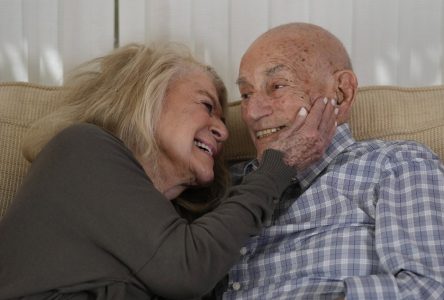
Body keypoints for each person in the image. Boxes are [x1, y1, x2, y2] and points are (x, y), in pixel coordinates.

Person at [0, 43, 337, 299]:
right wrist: (279, 165)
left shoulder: (175, 225)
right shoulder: (80, 148)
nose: (222, 130)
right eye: (206, 106)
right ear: (146, 98)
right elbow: (186, 268)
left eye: (222, 119)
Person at [217, 23, 444, 299]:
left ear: (342, 92)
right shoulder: (225, 184)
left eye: (277, 86)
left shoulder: (397, 165)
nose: (251, 112)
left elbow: (430, 289)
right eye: (246, 94)